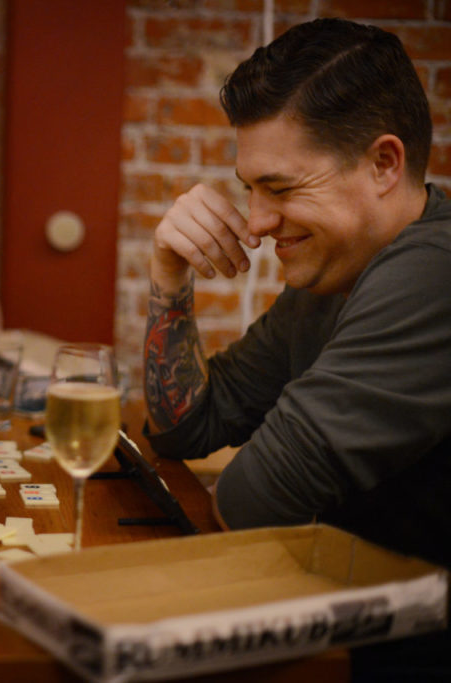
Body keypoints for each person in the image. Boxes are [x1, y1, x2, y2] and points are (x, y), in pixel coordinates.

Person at [142, 18, 451, 679]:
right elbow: (188, 425)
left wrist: (259, 471)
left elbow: (252, 500)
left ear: (384, 163)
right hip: (356, 632)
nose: (254, 223)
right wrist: (169, 275)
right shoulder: (339, 268)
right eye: (250, 189)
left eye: (280, 189)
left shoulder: (433, 273)